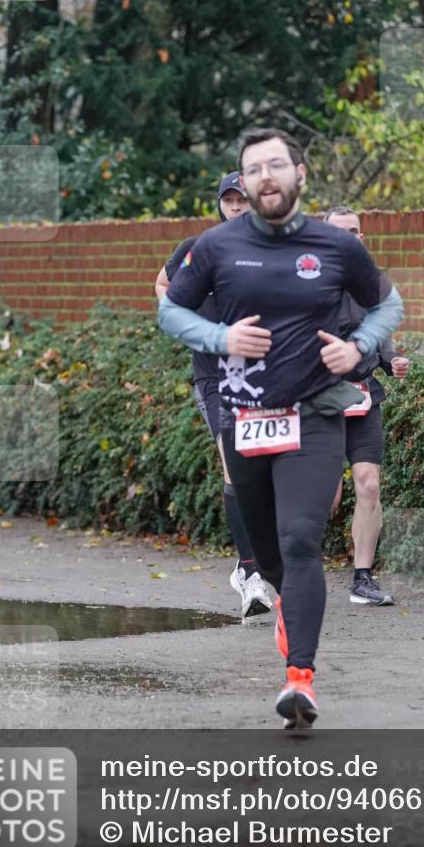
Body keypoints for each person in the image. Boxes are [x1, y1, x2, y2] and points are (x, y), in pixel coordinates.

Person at [158, 129, 403, 728]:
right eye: (252, 169)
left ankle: (301, 680)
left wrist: (360, 348)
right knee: (271, 557)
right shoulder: (215, 246)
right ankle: (282, 602)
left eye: (276, 164)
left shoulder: (334, 245)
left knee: (300, 542)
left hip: (316, 413)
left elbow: (387, 304)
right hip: (247, 418)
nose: (264, 176)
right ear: (242, 182)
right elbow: (170, 309)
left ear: (299, 174)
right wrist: (218, 338)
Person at [155, 173, 273, 618]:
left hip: (261, 376)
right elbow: (162, 286)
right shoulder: (196, 247)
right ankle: (250, 574)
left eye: (244, 199)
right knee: (235, 462)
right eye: (230, 199)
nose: (237, 206)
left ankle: (258, 560)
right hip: (213, 376)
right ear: (219, 204)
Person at [324, 206, 410, 606]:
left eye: (355, 231)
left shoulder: (373, 284)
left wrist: (393, 362)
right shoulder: (307, 284)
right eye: (340, 231)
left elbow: (382, 338)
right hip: (320, 402)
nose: (349, 237)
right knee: (326, 497)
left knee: (370, 485)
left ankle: (362, 579)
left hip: (363, 398)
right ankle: (288, 571)